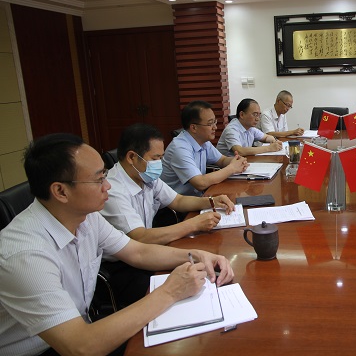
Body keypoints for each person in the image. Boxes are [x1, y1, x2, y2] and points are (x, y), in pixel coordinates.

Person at [0, 133, 233, 356]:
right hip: (48, 349)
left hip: (82, 327)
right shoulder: (25, 255)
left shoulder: (86, 217)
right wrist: (171, 292)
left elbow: (138, 252)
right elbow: (79, 347)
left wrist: (197, 254)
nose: (108, 186)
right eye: (99, 179)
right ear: (61, 191)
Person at [98, 123, 236, 306]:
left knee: (198, 271)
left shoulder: (144, 176)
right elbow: (140, 237)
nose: (159, 163)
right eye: (155, 158)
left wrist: (211, 201)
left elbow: (177, 200)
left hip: (146, 249)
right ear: (132, 157)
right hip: (122, 266)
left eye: (161, 157)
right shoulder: (113, 190)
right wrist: (193, 224)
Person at [161, 100, 248, 196]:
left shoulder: (203, 141)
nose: (215, 127)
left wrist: (237, 161)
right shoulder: (179, 148)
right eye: (210, 123)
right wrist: (232, 168)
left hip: (197, 196)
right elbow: (200, 183)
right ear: (194, 128)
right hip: (178, 202)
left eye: (215, 122)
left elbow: (222, 160)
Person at [217, 98, 283, 156]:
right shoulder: (231, 129)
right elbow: (239, 151)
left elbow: (266, 137)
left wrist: (274, 141)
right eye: (255, 114)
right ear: (242, 115)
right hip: (226, 165)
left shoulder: (250, 128)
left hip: (242, 162)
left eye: (258, 115)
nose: (257, 119)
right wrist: (269, 148)